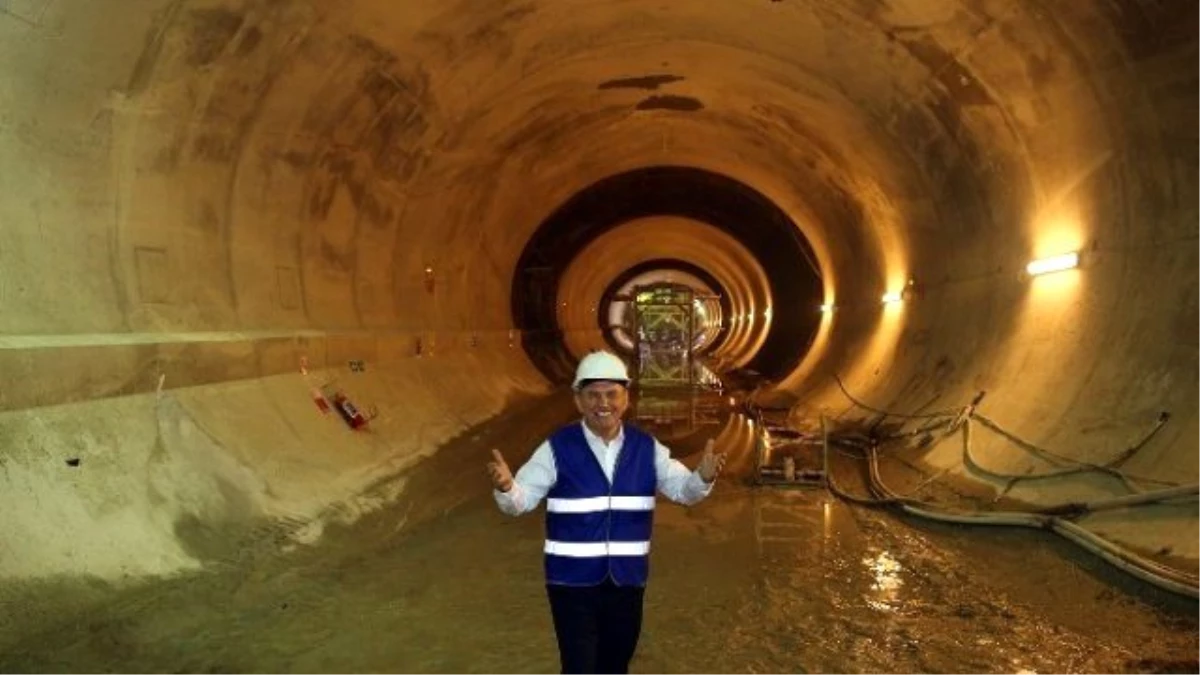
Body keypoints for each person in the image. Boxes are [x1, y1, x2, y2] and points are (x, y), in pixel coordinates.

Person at [487, 350, 727, 675]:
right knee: (579, 667)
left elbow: (684, 492)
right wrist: (506, 487)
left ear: (625, 398)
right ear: (579, 401)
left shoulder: (647, 448)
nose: (603, 403)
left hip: (627, 582)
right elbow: (522, 501)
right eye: (593, 395)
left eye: (611, 394)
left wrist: (703, 477)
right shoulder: (557, 447)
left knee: (615, 666)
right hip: (571, 584)